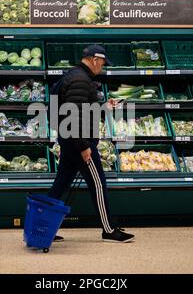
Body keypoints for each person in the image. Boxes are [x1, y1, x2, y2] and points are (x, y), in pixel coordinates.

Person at [48, 44, 135, 243]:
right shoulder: (80, 79)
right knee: (98, 183)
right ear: (95, 59)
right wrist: (84, 146)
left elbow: (81, 108)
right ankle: (109, 230)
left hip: (69, 140)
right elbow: (73, 115)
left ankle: (43, 226)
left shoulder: (75, 75)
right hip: (78, 142)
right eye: (102, 63)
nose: (102, 68)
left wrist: (103, 106)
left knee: (60, 184)